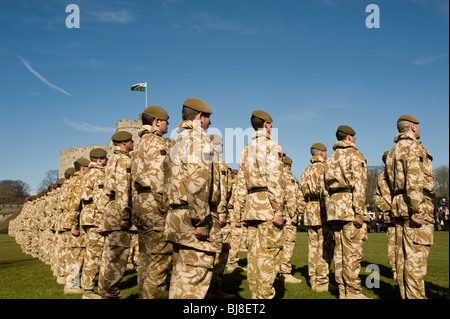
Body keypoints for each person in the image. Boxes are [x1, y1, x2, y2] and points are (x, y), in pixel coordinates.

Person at [164, 97, 223, 299]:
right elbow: (198, 181)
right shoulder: (198, 141)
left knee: (181, 279)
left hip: (178, 217)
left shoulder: (176, 141)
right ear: (200, 116)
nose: (210, 123)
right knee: (193, 283)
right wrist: (201, 219)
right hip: (193, 218)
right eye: (208, 118)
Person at [235, 110, 285, 299]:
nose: (271, 128)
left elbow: (240, 184)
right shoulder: (273, 146)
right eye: (270, 124)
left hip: (251, 207)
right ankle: (265, 298)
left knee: (254, 258)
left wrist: (240, 210)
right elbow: (275, 180)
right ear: (265, 124)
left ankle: (256, 298)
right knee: (268, 258)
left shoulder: (245, 150)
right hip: (267, 208)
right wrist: (279, 210)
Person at [385, 114, 435, 299]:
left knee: (403, 260)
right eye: (418, 126)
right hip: (413, 205)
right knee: (415, 262)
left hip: (399, 205)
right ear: (413, 127)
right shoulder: (413, 147)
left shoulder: (393, 150)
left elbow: (390, 183)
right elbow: (414, 180)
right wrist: (419, 209)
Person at [131, 105, 172, 299]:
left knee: (146, 263)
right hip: (155, 206)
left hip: (142, 204)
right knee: (158, 263)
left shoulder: (140, 143)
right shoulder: (156, 142)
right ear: (157, 122)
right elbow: (158, 178)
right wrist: (166, 210)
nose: (167, 125)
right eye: (166, 121)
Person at [323, 125, 370, 299]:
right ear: (349, 138)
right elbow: (359, 185)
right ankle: (353, 292)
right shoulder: (355, 155)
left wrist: (330, 209)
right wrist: (359, 212)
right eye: (354, 137)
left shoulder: (331, 158)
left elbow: (325, 189)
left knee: (339, 251)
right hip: (349, 206)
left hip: (335, 208)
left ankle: (343, 290)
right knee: (353, 252)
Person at [98, 131, 134, 299]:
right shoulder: (124, 160)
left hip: (111, 210)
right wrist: (125, 216)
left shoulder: (112, 160)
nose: (133, 142)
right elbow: (123, 188)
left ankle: (104, 290)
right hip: (119, 212)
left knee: (109, 256)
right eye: (131, 140)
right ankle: (111, 293)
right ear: (124, 143)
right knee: (118, 257)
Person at [299, 143, 335, 292]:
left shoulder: (305, 171)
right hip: (321, 209)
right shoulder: (324, 168)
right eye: (325, 152)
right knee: (325, 246)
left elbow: (300, 195)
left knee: (312, 247)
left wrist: (303, 210)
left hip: (309, 209)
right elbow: (325, 192)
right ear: (321, 153)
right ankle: (322, 281)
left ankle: (313, 278)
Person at [78, 148, 108, 299]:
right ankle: (88, 291)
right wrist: (104, 220)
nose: (107, 160)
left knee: (91, 254)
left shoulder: (88, 174)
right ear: (99, 160)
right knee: (95, 256)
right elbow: (100, 198)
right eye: (105, 158)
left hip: (88, 216)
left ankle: (87, 288)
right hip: (96, 217)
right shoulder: (98, 173)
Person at [207, 134, 236, 298]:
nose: (222, 146)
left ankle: (211, 287)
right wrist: (222, 211)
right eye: (219, 144)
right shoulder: (216, 162)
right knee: (219, 250)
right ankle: (213, 288)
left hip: (214, 211)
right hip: (218, 212)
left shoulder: (210, 160)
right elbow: (222, 191)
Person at [64, 157, 90, 294]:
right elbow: (75, 204)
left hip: (73, 221)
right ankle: (71, 285)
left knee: (74, 254)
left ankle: (71, 283)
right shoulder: (79, 181)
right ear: (83, 168)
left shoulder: (72, 181)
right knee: (77, 254)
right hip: (77, 223)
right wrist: (74, 225)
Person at [278, 155, 302, 284]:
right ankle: (285, 272)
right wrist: (294, 216)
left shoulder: (276, 177)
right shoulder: (289, 178)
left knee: (277, 243)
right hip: (287, 216)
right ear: (289, 166)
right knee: (288, 243)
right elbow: (292, 199)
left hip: (277, 215)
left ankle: (276, 269)